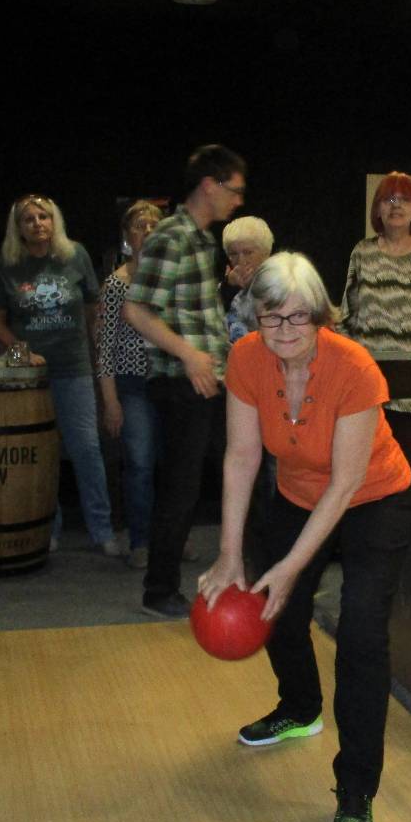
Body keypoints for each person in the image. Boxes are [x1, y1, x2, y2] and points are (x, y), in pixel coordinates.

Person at [197, 252, 411, 822]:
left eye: (298, 316)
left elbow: (345, 484)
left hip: (374, 498)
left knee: (361, 632)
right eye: (271, 317)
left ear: (319, 315)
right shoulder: (246, 358)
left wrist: (291, 567)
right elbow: (241, 457)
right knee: (277, 610)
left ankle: (356, 787)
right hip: (297, 493)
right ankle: (300, 707)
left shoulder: (354, 367)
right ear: (255, 316)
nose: (285, 330)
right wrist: (229, 554)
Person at [123, 144, 246, 618]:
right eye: (233, 190)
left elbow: (193, 313)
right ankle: (158, 592)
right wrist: (190, 354)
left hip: (208, 379)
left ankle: (240, 572)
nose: (238, 200)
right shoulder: (171, 237)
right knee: (181, 488)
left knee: (230, 473)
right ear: (209, 185)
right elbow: (137, 310)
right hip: (181, 381)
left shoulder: (201, 240)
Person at [0, 194, 118, 556]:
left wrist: (96, 351)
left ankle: (102, 530)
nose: (38, 223)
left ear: (55, 221)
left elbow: (92, 308)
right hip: (31, 375)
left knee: (86, 449)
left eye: (44, 216)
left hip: (74, 367)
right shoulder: (6, 263)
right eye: (29, 219)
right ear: (18, 228)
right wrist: (22, 352)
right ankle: (48, 528)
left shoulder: (76, 255)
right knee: (43, 453)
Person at [338, 171, 411, 456]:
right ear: (377, 208)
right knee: (368, 464)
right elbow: (345, 320)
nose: (396, 205)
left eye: (405, 199)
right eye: (388, 199)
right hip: (368, 381)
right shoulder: (362, 252)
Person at [96, 200, 164, 569]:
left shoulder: (172, 279)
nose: (148, 232)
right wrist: (111, 402)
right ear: (127, 236)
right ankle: (141, 540)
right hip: (133, 384)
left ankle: (169, 538)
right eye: (140, 226)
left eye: (155, 225)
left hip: (169, 382)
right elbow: (105, 347)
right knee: (139, 464)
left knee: (171, 465)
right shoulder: (116, 284)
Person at [221, 216, 275, 343]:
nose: (241, 261)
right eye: (233, 254)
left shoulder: (282, 285)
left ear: (265, 253)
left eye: (248, 252)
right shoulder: (224, 287)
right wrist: (229, 287)